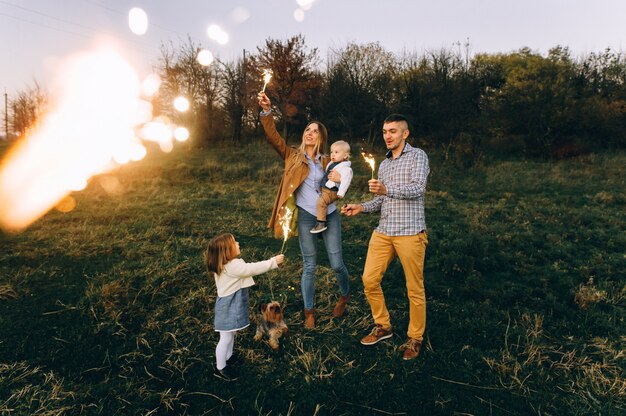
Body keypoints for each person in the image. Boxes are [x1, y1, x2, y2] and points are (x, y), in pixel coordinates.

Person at [257, 92, 351, 329]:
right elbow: (272, 136)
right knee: (309, 265)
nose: (309, 133)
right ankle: (310, 311)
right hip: (307, 217)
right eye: (307, 129)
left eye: (315, 131)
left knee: (337, 263)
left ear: (321, 137)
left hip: (329, 214)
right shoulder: (291, 155)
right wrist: (267, 112)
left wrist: (341, 176)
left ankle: (344, 295)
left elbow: (348, 172)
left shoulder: (329, 160)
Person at [341, 114, 429, 361]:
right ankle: (383, 327)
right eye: (384, 131)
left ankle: (415, 338)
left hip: (410, 232)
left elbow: (418, 188)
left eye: (392, 131)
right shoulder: (385, 164)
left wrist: (387, 189)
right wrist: (362, 206)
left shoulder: (418, 156)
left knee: (414, 288)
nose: (387, 136)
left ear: (405, 134)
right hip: (384, 232)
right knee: (369, 279)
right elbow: (382, 199)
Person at [205, 233, 285, 381]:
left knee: (230, 334)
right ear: (226, 251)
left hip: (229, 306)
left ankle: (229, 357)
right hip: (229, 308)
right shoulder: (233, 266)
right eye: (234, 242)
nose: (238, 243)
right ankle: (220, 367)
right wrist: (273, 262)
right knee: (225, 338)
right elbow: (252, 268)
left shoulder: (224, 264)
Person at [311, 140, 353, 234]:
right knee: (321, 202)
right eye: (332, 152)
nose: (333, 154)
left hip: (332, 191)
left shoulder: (345, 168)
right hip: (326, 190)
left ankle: (321, 224)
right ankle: (321, 231)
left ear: (345, 156)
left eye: (336, 152)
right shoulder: (333, 163)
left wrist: (341, 192)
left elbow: (346, 180)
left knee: (321, 203)